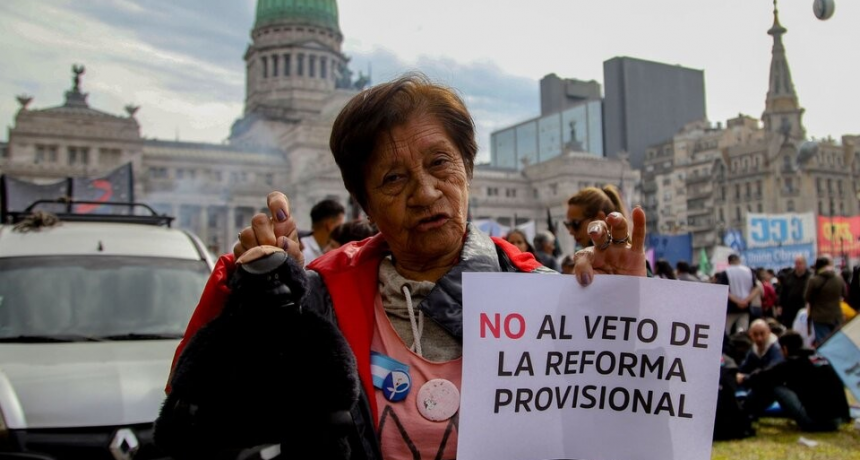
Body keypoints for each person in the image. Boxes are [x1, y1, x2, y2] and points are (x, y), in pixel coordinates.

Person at [155, 74, 649, 459]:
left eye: (440, 164)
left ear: (468, 170)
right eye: (394, 178)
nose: (427, 192)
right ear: (363, 204)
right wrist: (257, 307)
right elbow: (194, 432)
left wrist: (618, 318)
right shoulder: (317, 299)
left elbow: (632, 434)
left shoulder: (542, 294)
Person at [743, 331, 850, 432]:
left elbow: (764, 377)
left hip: (816, 422)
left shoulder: (793, 363)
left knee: (773, 385)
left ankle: (746, 412)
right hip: (838, 420)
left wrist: (744, 378)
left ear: (785, 349)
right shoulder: (819, 358)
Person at [564, 185, 627, 250]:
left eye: (576, 224)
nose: (571, 232)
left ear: (599, 218)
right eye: (568, 225)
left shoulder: (623, 256)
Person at [804, 256, 844, 346]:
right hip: (836, 315)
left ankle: (827, 359)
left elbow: (807, 298)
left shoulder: (814, 280)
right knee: (838, 341)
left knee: (824, 344)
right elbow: (845, 293)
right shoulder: (838, 279)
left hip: (820, 317)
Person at [716, 254, 760, 335]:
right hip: (746, 307)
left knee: (726, 331)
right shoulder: (749, 271)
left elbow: (723, 290)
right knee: (743, 331)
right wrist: (745, 301)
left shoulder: (725, 272)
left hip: (730, 308)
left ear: (729, 262)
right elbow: (757, 288)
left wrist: (738, 301)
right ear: (739, 260)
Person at [735, 319, 784, 386]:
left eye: (762, 333)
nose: (759, 338)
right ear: (750, 335)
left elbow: (771, 373)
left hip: (775, 385)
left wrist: (745, 378)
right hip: (758, 384)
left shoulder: (776, 349)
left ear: (769, 332)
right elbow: (744, 367)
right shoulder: (754, 349)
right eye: (755, 334)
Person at [300, 199, 345, 266]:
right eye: (340, 225)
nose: (342, 230)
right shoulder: (301, 250)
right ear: (329, 225)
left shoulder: (331, 249)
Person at [777, 255, 810, 328]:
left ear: (805, 264)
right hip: (789, 309)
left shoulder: (810, 276)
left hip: (803, 308)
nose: (798, 266)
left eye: (800, 263)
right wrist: (780, 305)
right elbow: (783, 292)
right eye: (796, 263)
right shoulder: (789, 276)